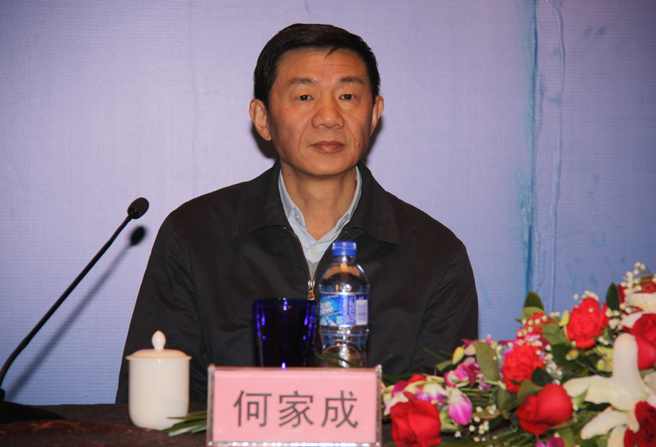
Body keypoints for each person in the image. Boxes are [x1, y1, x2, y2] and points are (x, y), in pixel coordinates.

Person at [116, 23, 478, 404]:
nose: (329, 117)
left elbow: (438, 417)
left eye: (348, 96)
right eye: (305, 96)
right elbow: (153, 405)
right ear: (262, 118)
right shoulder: (195, 236)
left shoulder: (435, 256)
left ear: (374, 114)